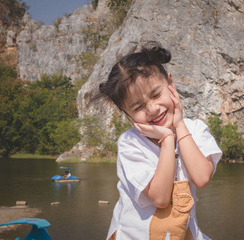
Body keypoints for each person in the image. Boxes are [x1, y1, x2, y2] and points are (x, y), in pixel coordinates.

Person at [94, 41, 222, 240]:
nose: (152, 109)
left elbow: (202, 177)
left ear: (170, 84)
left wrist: (179, 126)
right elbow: (160, 198)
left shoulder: (195, 129)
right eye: (138, 108)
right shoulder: (130, 142)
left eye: (156, 94)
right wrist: (168, 139)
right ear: (127, 114)